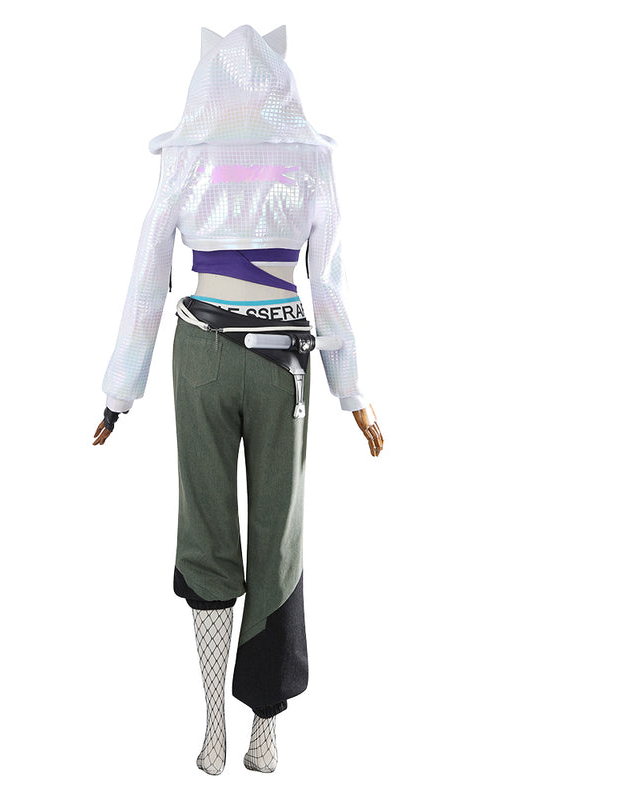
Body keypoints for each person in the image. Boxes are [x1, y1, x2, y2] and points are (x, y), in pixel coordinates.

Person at [93, 24, 382, 774]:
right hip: (283, 361)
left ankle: (219, 728)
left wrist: (121, 392)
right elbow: (329, 283)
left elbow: (149, 271)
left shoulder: (187, 158)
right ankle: (261, 728)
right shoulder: (309, 159)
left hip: (204, 355)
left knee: (208, 528)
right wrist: (352, 390)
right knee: (278, 535)